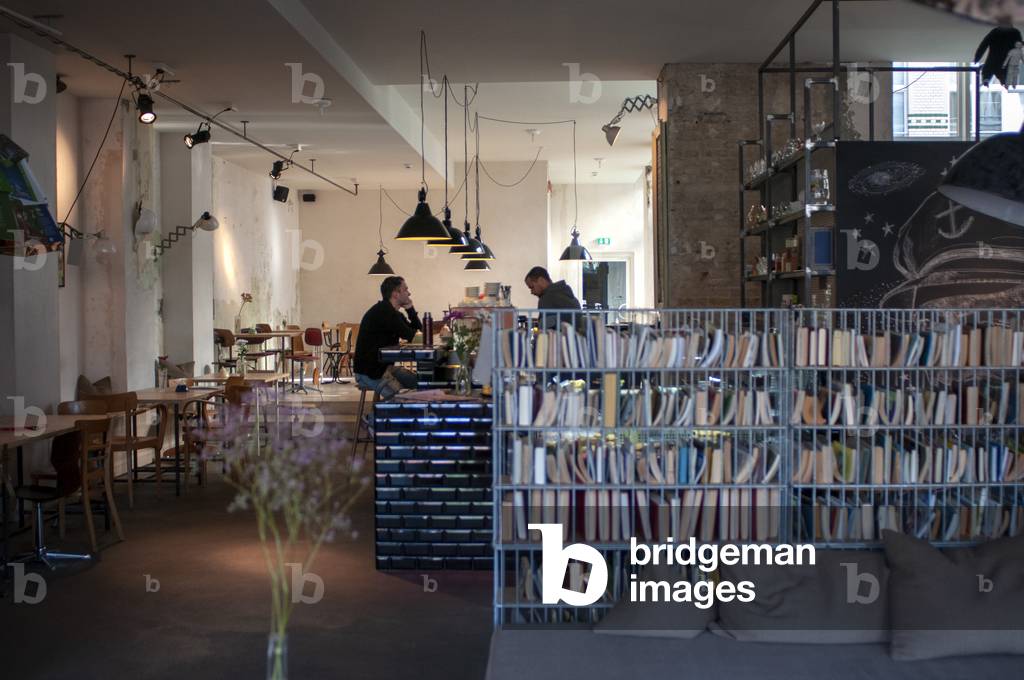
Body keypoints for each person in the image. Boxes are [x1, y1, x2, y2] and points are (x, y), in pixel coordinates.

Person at [353, 275, 422, 396]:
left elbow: (418, 333)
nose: (409, 293)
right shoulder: (384, 312)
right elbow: (412, 336)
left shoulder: (393, 313)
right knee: (402, 398)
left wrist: (410, 309)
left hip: (385, 368)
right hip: (370, 372)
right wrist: (410, 310)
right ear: (395, 293)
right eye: (405, 289)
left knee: (421, 383)